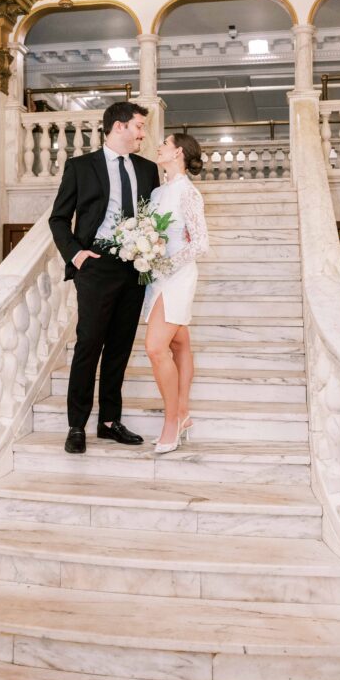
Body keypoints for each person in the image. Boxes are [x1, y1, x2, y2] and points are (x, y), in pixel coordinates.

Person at [49, 101, 160, 454]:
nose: (143, 133)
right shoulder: (81, 167)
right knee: (89, 344)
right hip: (96, 265)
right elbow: (58, 218)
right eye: (139, 126)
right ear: (119, 127)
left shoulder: (147, 169)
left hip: (134, 268)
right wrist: (77, 254)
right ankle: (77, 425)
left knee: (120, 347)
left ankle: (110, 421)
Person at [143, 134, 209, 455]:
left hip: (179, 276)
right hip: (155, 276)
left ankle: (171, 421)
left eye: (164, 144)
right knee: (179, 341)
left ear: (178, 152)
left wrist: (168, 262)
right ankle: (182, 413)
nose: (159, 147)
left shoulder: (188, 193)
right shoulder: (157, 193)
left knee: (155, 347)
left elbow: (200, 243)